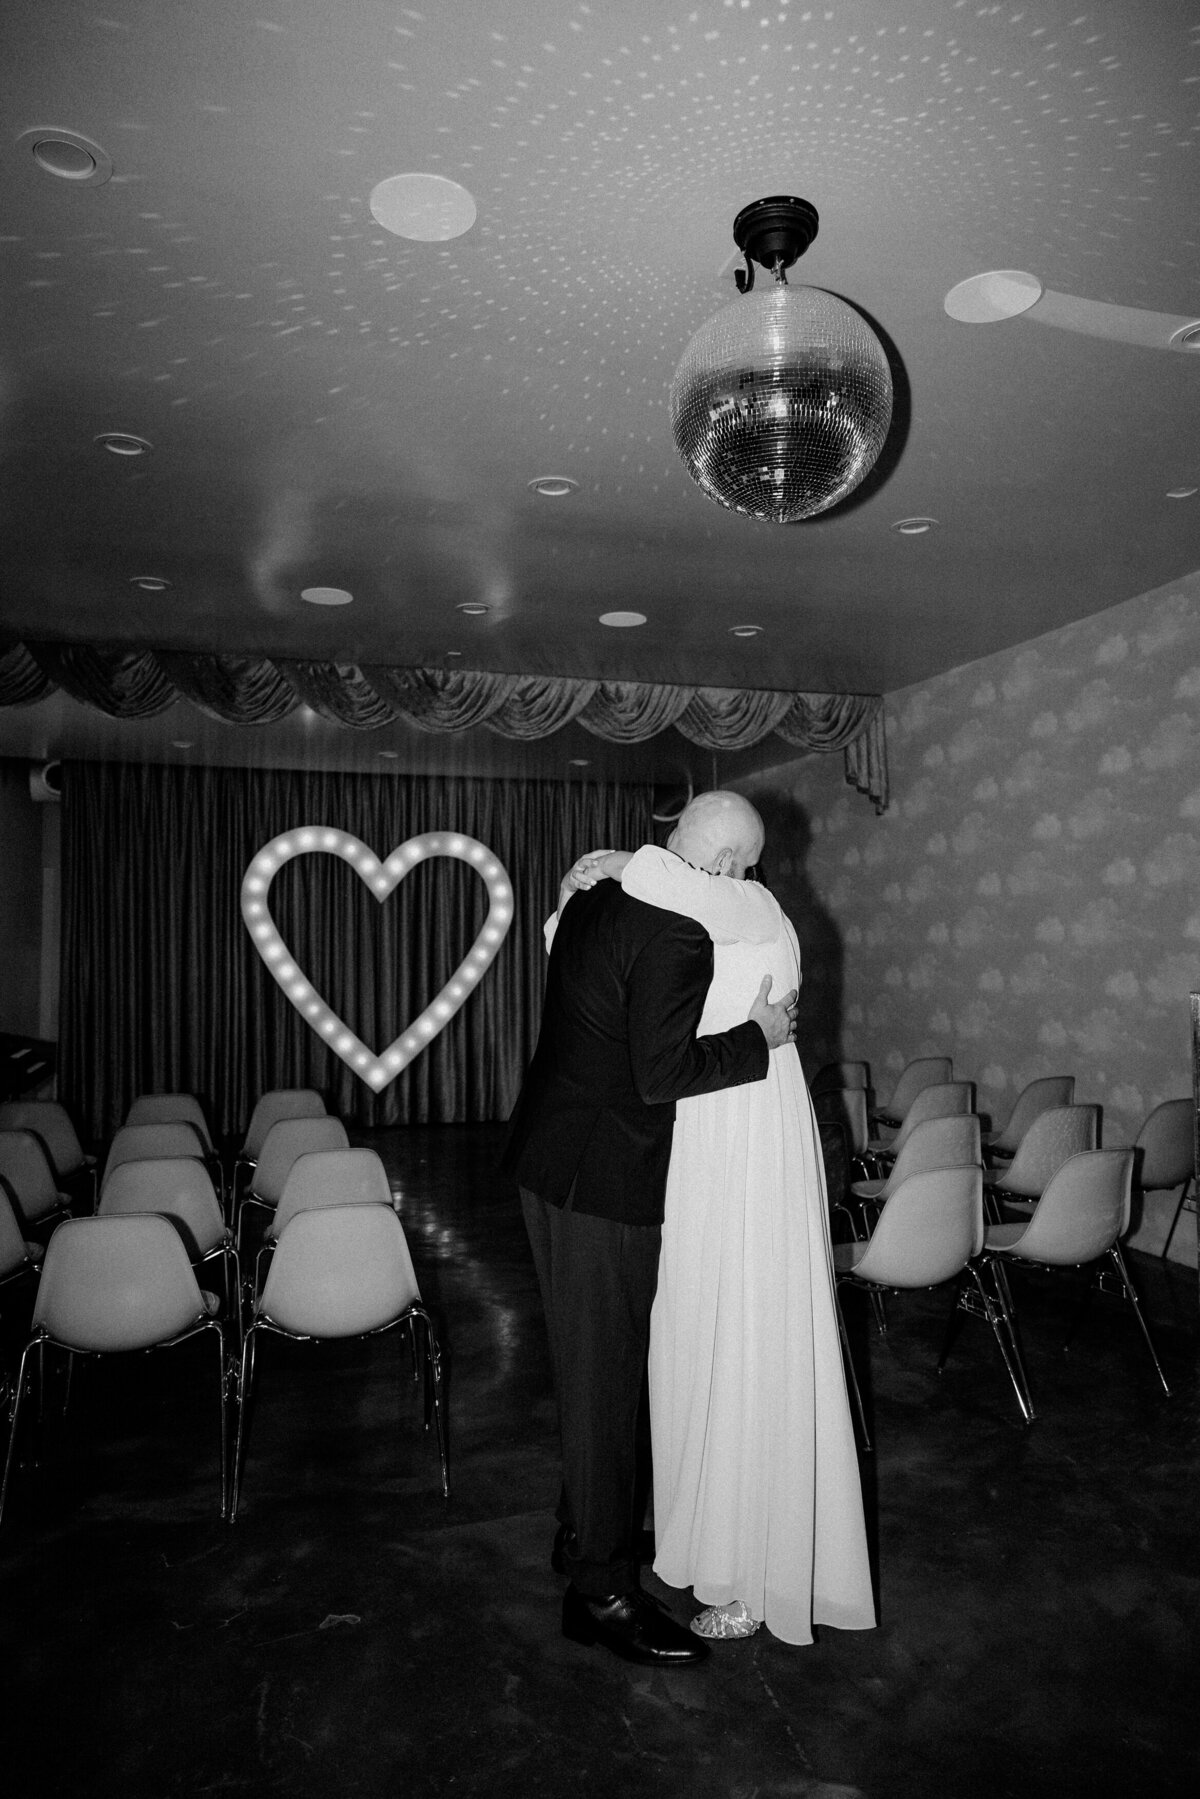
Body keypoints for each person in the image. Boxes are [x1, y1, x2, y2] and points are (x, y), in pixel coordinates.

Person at [565, 792, 875, 1646]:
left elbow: (676, 891)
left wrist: (614, 863)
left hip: (746, 1142)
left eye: (728, 856)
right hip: (698, 1138)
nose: (715, 866)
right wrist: (585, 884)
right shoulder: (678, 901)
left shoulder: (754, 908)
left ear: (742, 862)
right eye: (702, 850)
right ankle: (698, 1533)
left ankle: (757, 1568)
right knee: (693, 1335)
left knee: (750, 1334)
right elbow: (578, 948)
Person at [502, 799, 797, 1667]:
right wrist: (760, 1036)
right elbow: (662, 1071)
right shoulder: (678, 931)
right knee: (605, 1379)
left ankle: (575, 1526)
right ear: (733, 861)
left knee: (584, 1362)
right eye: (749, 868)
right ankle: (601, 1590)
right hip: (604, 1183)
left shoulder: (598, 899)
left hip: (547, 1161)